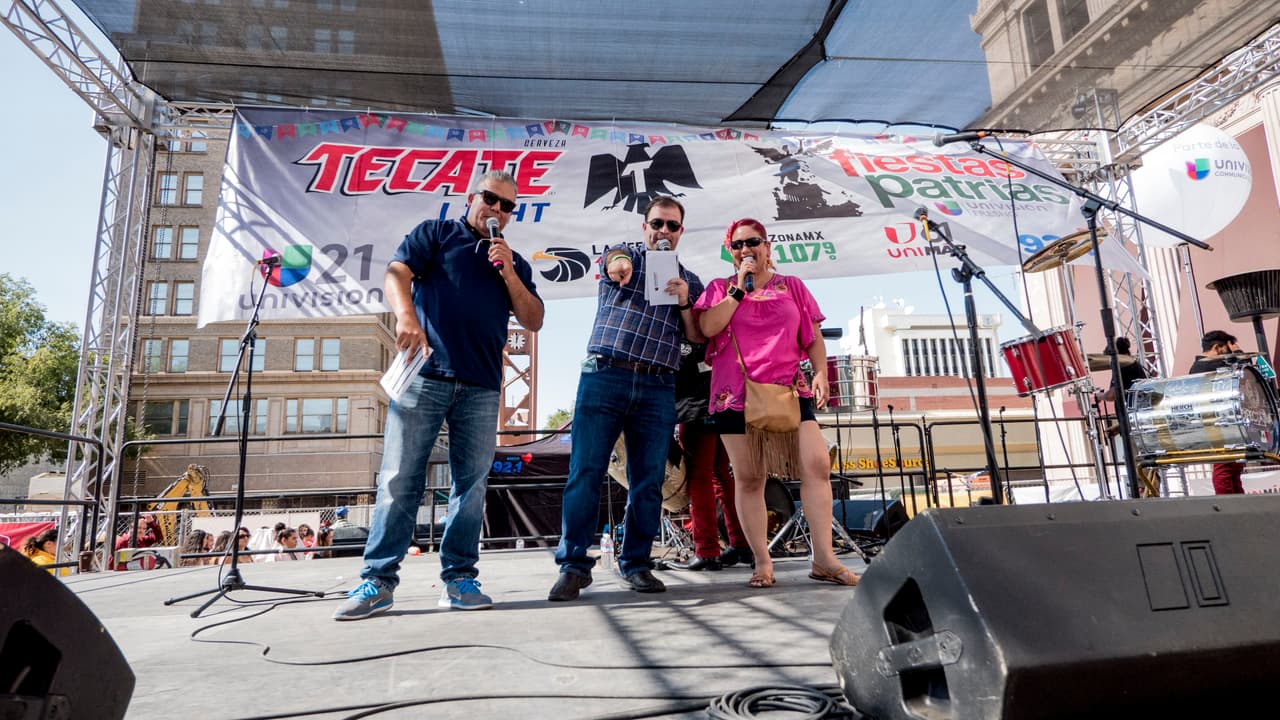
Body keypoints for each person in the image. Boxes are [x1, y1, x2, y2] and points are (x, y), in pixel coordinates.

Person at [334, 170, 544, 620]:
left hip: (483, 386)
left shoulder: (514, 262)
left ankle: (459, 578)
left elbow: (533, 319)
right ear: (472, 197)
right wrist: (406, 317)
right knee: (398, 479)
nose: (498, 211)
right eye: (492, 199)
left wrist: (507, 271)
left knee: (470, 486)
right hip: (424, 377)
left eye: (509, 207)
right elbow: (396, 273)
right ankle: (377, 580)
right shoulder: (437, 233)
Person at [549, 196, 705, 602]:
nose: (664, 232)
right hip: (606, 373)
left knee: (648, 481)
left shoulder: (690, 280)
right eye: (657, 224)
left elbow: (696, 336)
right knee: (585, 472)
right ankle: (573, 566)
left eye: (672, 226)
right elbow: (611, 260)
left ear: (681, 232)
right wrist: (618, 261)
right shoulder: (626, 258)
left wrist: (685, 299)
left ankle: (636, 563)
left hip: (656, 384)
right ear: (645, 227)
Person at [695, 218, 858, 589]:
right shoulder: (720, 288)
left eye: (752, 242)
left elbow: (813, 336)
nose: (745, 250)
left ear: (768, 247)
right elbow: (707, 328)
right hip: (734, 393)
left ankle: (824, 559)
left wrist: (820, 373)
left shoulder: (793, 286)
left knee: (816, 465)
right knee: (750, 477)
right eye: (736, 246)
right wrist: (737, 291)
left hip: (788, 388)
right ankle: (762, 562)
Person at [669, 338, 751, 571]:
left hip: (697, 403)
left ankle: (707, 550)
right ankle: (741, 544)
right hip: (723, 400)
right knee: (721, 475)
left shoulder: (686, 318)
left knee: (700, 475)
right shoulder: (716, 318)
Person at [1189, 330, 1247, 494]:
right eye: (1226, 351)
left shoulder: (1200, 366)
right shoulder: (1209, 365)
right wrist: (1238, 353)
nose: (1228, 357)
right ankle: (1230, 506)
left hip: (1223, 422)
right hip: (1220, 424)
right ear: (1217, 348)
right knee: (1225, 468)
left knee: (1233, 468)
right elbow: (1246, 371)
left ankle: (1237, 504)